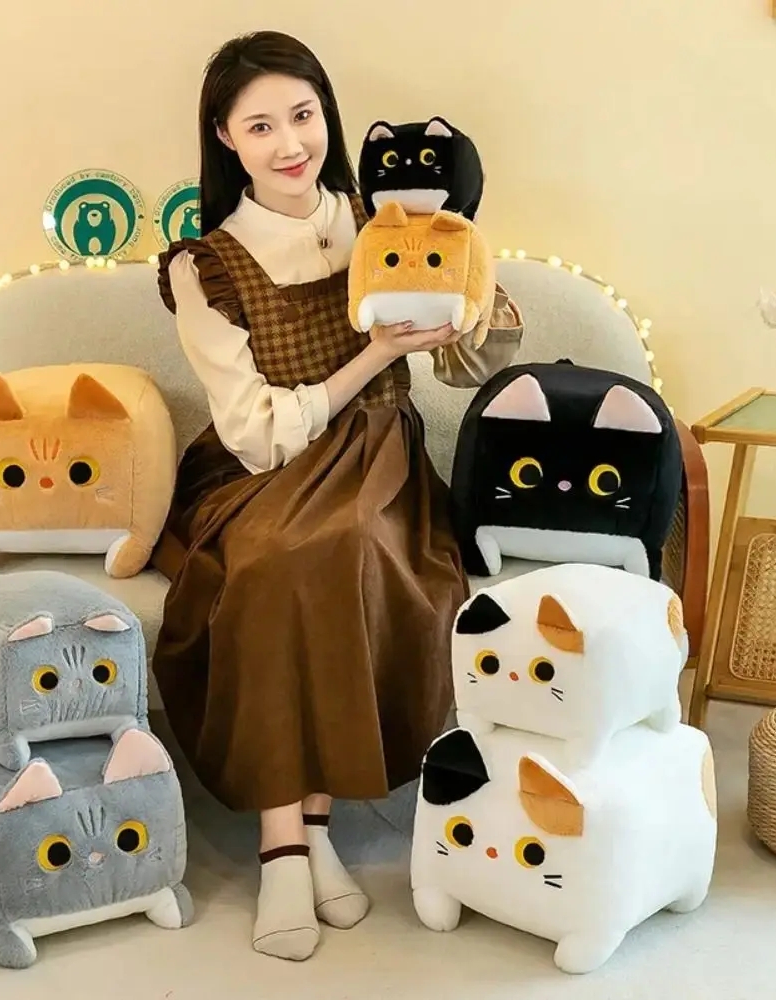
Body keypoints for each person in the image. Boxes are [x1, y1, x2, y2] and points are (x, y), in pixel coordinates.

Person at [151, 30, 524, 962]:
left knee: (351, 545)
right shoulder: (205, 265)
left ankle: (308, 832)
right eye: (261, 126)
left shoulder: (387, 220)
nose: (291, 144)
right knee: (275, 561)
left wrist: (469, 289)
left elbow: (468, 366)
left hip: (379, 460)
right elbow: (254, 433)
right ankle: (288, 843)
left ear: (329, 116)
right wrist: (376, 352)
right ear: (225, 137)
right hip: (262, 469)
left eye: (304, 115)